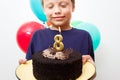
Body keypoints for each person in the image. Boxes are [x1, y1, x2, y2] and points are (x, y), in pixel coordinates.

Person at [19, 0, 95, 65]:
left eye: (63, 5)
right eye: (50, 7)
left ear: (73, 7)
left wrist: (92, 67)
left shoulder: (84, 36)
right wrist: (24, 67)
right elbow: (30, 68)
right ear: (44, 10)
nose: (57, 11)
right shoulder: (37, 36)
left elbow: (90, 73)